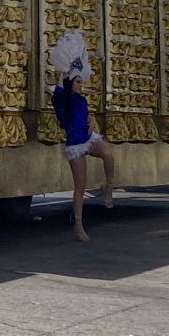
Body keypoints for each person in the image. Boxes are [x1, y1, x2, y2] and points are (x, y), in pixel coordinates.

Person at [48, 30, 114, 243]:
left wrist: (93, 122)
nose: (80, 84)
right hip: (76, 144)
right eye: (77, 82)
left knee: (108, 154)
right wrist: (63, 70)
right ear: (70, 83)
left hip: (88, 138)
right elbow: (58, 88)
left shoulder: (80, 99)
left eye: (80, 81)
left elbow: (86, 115)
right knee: (80, 188)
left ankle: (109, 188)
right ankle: (78, 225)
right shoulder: (63, 98)